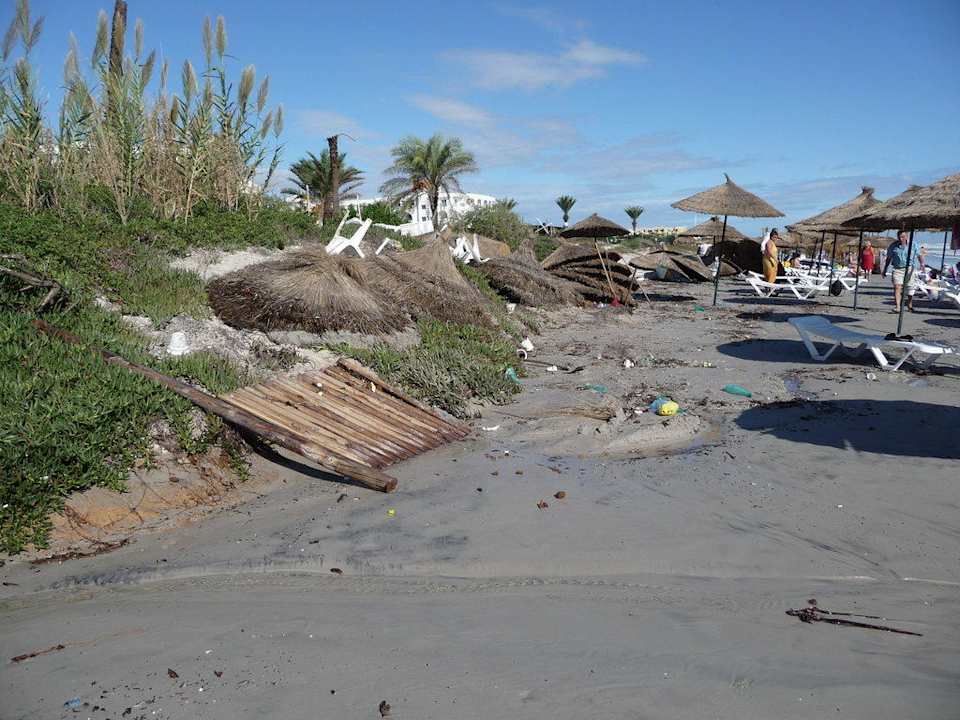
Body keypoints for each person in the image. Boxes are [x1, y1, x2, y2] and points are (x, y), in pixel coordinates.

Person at [882, 231, 919, 312]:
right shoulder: (893, 245)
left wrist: (922, 265)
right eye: (899, 237)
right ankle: (898, 307)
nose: (900, 238)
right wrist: (885, 269)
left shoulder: (913, 245)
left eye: (902, 237)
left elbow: (919, 255)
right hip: (897, 268)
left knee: (910, 287)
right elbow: (889, 258)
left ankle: (909, 303)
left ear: (906, 237)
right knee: (897, 286)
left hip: (909, 268)